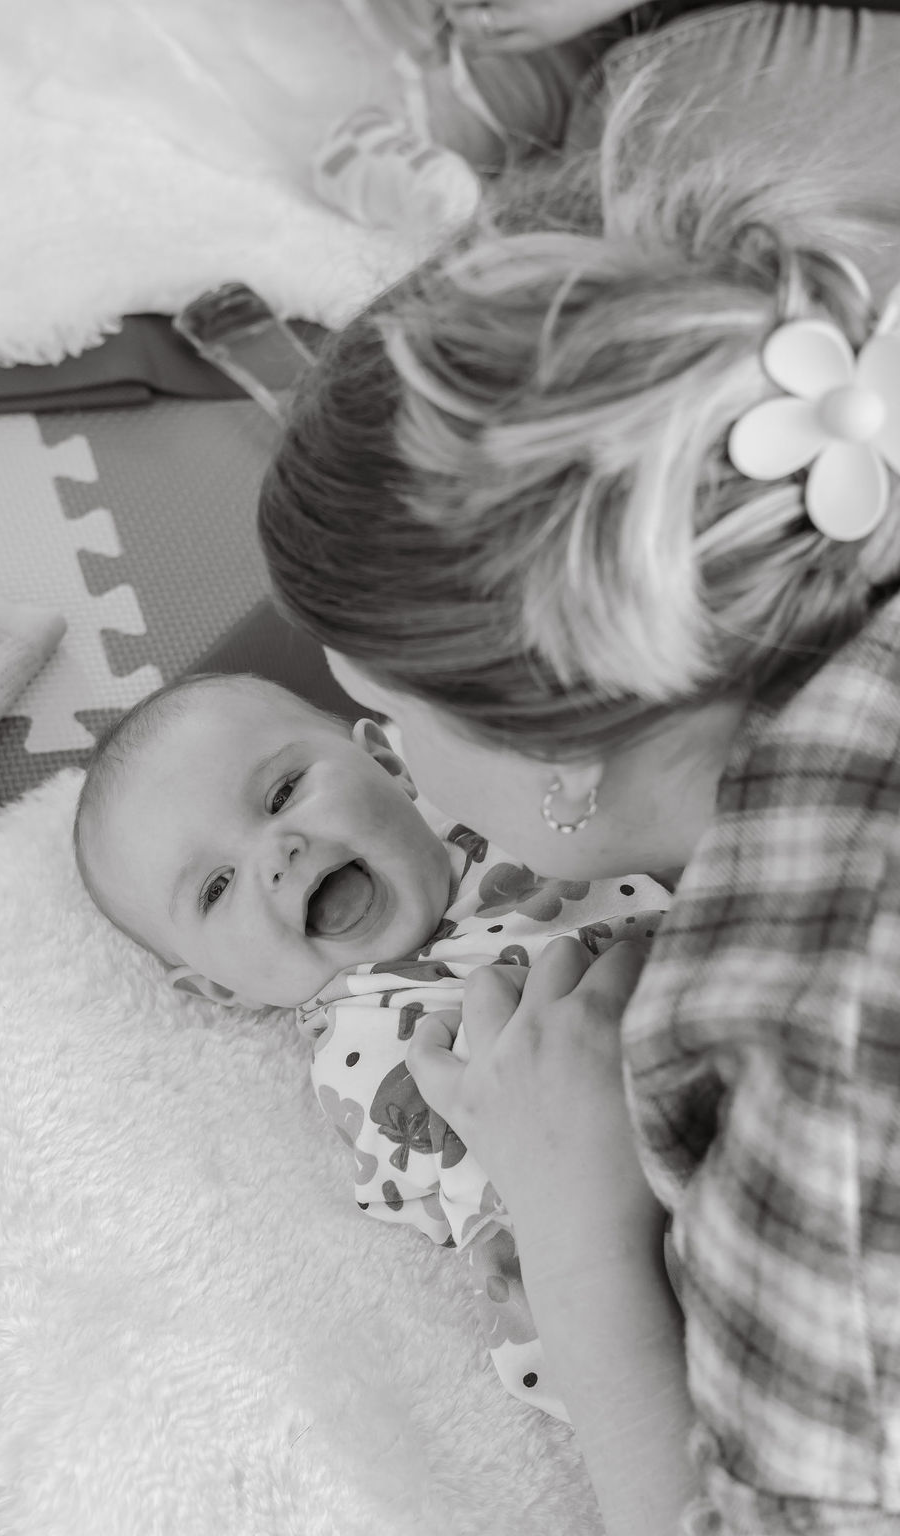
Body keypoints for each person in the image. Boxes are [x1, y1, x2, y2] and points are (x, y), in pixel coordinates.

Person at [255, 65, 900, 1536]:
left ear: (558, 757)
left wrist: (575, 1225)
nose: (378, 756)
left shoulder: (796, 1054)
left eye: (382, 720)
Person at [72, 669, 667, 1414]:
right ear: (223, 988)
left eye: (282, 793)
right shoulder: (370, 1048)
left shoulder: (500, 814)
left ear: (387, 762)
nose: (277, 853)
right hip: (626, 1247)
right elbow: (492, 1186)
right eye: (216, 888)